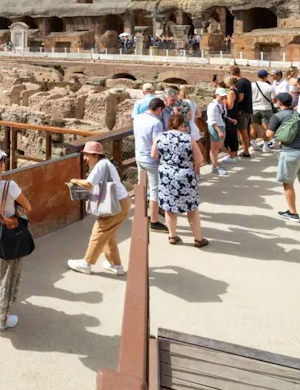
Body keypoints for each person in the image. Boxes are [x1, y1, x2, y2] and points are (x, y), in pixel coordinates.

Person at [0, 147, 32, 332]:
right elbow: (28, 206)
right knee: (7, 275)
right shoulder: (10, 186)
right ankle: (1, 320)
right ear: (1, 163)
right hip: (9, 233)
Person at [67, 141, 131, 274]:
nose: (85, 158)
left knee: (99, 231)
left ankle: (86, 263)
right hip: (122, 202)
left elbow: (89, 184)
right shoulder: (106, 163)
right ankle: (116, 266)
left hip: (116, 204)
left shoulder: (100, 166)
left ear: (95, 155)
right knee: (108, 234)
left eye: (87, 155)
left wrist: (74, 181)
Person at [153, 113, 209, 246]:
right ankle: (198, 239)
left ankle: (172, 236)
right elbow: (199, 159)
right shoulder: (188, 138)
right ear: (183, 125)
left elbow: (154, 155)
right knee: (192, 208)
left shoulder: (160, 137)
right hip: (185, 176)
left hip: (167, 175)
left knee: (169, 208)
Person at [266, 93, 300, 222]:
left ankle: (293, 213)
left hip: (290, 151)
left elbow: (269, 134)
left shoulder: (277, 116)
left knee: (288, 183)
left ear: (279, 103)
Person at [133, 97, 166, 230]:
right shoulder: (156, 123)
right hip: (151, 160)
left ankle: (140, 216)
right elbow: (156, 143)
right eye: (161, 111)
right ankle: (154, 221)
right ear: (159, 109)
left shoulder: (138, 118)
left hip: (139, 156)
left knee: (142, 187)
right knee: (154, 191)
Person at [228, 66, 253, 157]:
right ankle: (245, 149)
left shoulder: (240, 83)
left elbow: (241, 97)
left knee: (243, 131)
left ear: (232, 73)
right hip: (248, 109)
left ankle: (246, 151)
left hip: (241, 110)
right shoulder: (246, 81)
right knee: (245, 130)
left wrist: (232, 101)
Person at [250, 70, 276, 153]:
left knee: (254, 127)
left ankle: (253, 145)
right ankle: (266, 146)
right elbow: (273, 100)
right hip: (266, 108)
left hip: (254, 108)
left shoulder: (252, 85)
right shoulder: (270, 87)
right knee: (267, 129)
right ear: (266, 77)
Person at [206, 87, 230, 176]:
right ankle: (215, 166)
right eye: (222, 96)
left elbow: (223, 115)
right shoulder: (212, 105)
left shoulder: (222, 104)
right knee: (214, 147)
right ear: (216, 95)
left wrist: (230, 119)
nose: (223, 97)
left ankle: (215, 163)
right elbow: (212, 120)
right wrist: (219, 131)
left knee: (218, 146)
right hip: (215, 127)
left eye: (224, 96)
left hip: (221, 125)